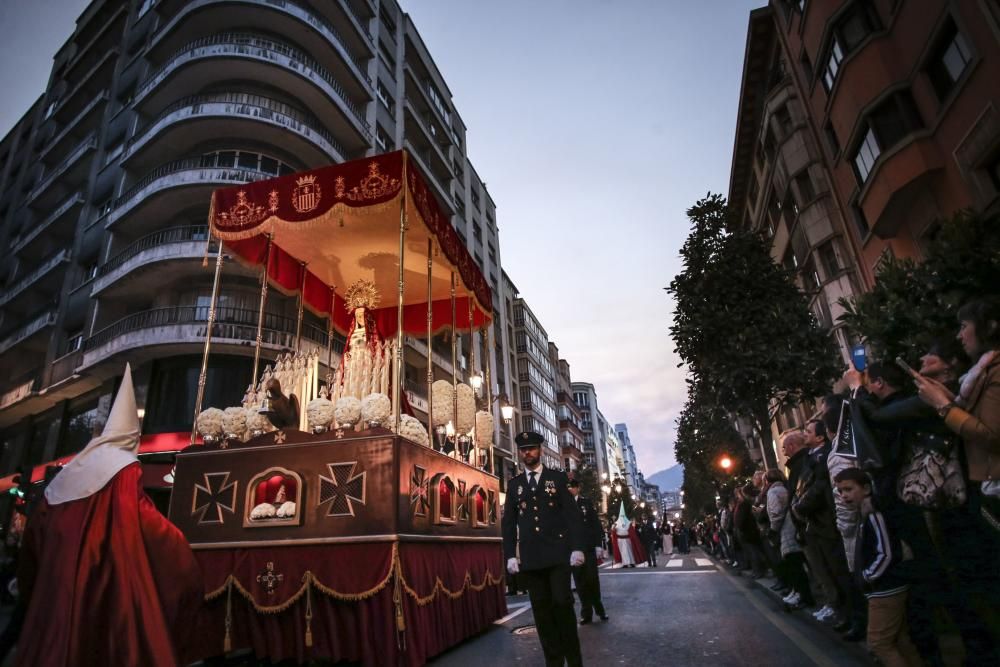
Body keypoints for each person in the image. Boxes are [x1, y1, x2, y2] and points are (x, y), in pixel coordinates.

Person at [16, 365, 203, 667]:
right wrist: (181, 545)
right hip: (102, 592)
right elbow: (144, 522)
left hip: (53, 601)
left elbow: (33, 544)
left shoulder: (69, 472)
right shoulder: (124, 468)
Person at [502, 431, 586, 667]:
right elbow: (508, 523)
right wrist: (509, 555)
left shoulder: (557, 478)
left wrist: (577, 548)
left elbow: (572, 516)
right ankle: (554, 662)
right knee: (541, 612)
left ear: (540, 450)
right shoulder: (515, 485)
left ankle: (575, 659)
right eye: (523, 449)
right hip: (531, 559)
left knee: (562, 604)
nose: (527, 452)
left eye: (531, 448)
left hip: (558, 555)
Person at [834, 467, 921, 667]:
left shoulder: (873, 515)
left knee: (879, 643)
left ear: (865, 488)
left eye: (848, 489)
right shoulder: (864, 514)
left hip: (885, 588)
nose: (844, 495)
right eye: (840, 491)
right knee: (900, 642)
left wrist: (867, 576)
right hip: (884, 587)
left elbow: (886, 553)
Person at [567, 479, 608, 624]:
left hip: (588, 547)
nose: (570, 490)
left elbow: (595, 524)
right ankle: (586, 613)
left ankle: (599, 608)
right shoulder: (563, 504)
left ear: (578, 488)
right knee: (580, 582)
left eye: (572, 487)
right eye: (568, 487)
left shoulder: (586, 503)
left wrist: (598, 544)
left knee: (592, 579)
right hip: (573, 550)